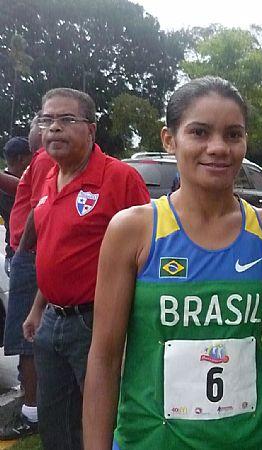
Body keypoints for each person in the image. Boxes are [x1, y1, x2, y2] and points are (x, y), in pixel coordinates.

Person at [83, 77, 262, 450]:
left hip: (248, 441)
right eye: (199, 132)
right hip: (151, 441)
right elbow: (104, 359)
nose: (218, 148)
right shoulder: (133, 230)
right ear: (170, 139)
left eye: (233, 135)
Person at [21, 88, 150, 450]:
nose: (54, 129)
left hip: (95, 322)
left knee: (99, 416)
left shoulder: (119, 178)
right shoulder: (48, 179)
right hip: (51, 324)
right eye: (47, 121)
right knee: (53, 415)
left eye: (66, 120)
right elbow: (53, 252)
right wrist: (36, 309)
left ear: (91, 130)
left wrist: (130, 333)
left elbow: (147, 254)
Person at [0, 116, 50, 440]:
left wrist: (24, 250)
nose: (44, 126)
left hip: (29, 256)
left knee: (26, 338)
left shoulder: (44, 159)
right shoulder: (42, 163)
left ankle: (32, 410)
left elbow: (38, 207)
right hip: (28, 254)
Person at [0, 137, 33, 276]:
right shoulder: (8, 189)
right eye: (32, 158)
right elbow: (23, 189)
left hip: (14, 254)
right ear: (21, 159)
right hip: (21, 255)